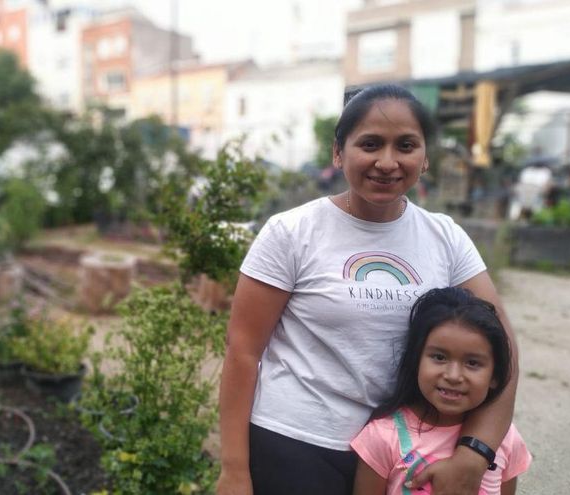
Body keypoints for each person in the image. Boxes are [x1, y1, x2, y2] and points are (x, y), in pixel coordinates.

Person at [216, 84, 519, 495]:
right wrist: (234, 469)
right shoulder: (292, 232)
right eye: (370, 144)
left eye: (406, 145)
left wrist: (474, 452)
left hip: (401, 448)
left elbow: (503, 348)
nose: (387, 162)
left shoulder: (445, 237)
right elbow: (243, 350)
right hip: (297, 441)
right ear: (338, 153)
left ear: (426, 157)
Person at [351, 287, 531, 495]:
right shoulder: (382, 437)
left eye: (472, 363)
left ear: (495, 377)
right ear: (416, 361)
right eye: (439, 357)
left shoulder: (505, 439)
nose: (453, 376)